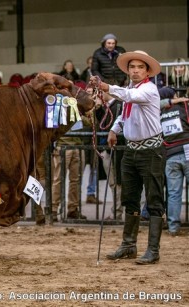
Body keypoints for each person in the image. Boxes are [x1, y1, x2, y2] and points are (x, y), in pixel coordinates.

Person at [91, 50, 165, 265]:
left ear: (147, 71)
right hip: (132, 149)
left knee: (153, 199)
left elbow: (129, 97)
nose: (135, 70)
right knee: (130, 198)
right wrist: (114, 129)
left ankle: (153, 249)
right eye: (132, 67)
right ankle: (128, 245)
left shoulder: (149, 90)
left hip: (151, 151)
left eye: (139, 67)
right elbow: (125, 114)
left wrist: (107, 88)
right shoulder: (132, 89)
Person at [159, 86, 189, 236]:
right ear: (174, 95)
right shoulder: (184, 106)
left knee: (173, 193)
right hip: (187, 149)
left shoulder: (157, 112)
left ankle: (173, 227)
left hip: (170, 154)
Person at [95, 91, 125, 220]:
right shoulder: (107, 107)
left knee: (117, 182)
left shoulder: (119, 105)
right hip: (108, 149)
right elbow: (102, 124)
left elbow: (109, 127)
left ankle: (117, 212)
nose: (98, 96)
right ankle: (116, 211)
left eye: (100, 93)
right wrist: (98, 108)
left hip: (117, 149)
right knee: (113, 182)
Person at [51, 132, 87, 221]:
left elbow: (91, 123)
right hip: (62, 145)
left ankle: (73, 208)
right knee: (59, 179)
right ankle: (53, 209)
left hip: (78, 145)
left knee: (76, 180)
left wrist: (83, 118)